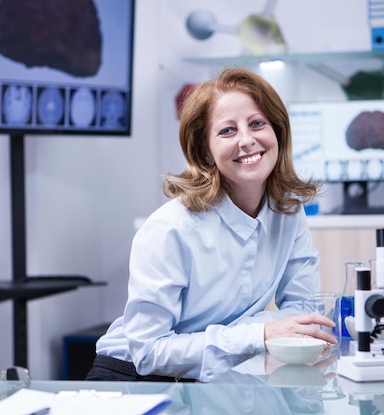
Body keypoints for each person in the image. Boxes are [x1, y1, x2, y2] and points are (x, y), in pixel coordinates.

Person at [86, 67, 335, 383]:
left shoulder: (288, 212)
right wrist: (260, 333)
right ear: (205, 153)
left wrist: (264, 331)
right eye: (227, 131)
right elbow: (149, 351)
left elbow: (304, 314)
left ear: (277, 133)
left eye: (257, 123)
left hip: (212, 379)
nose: (246, 140)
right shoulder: (170, 229)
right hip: (132, 380)